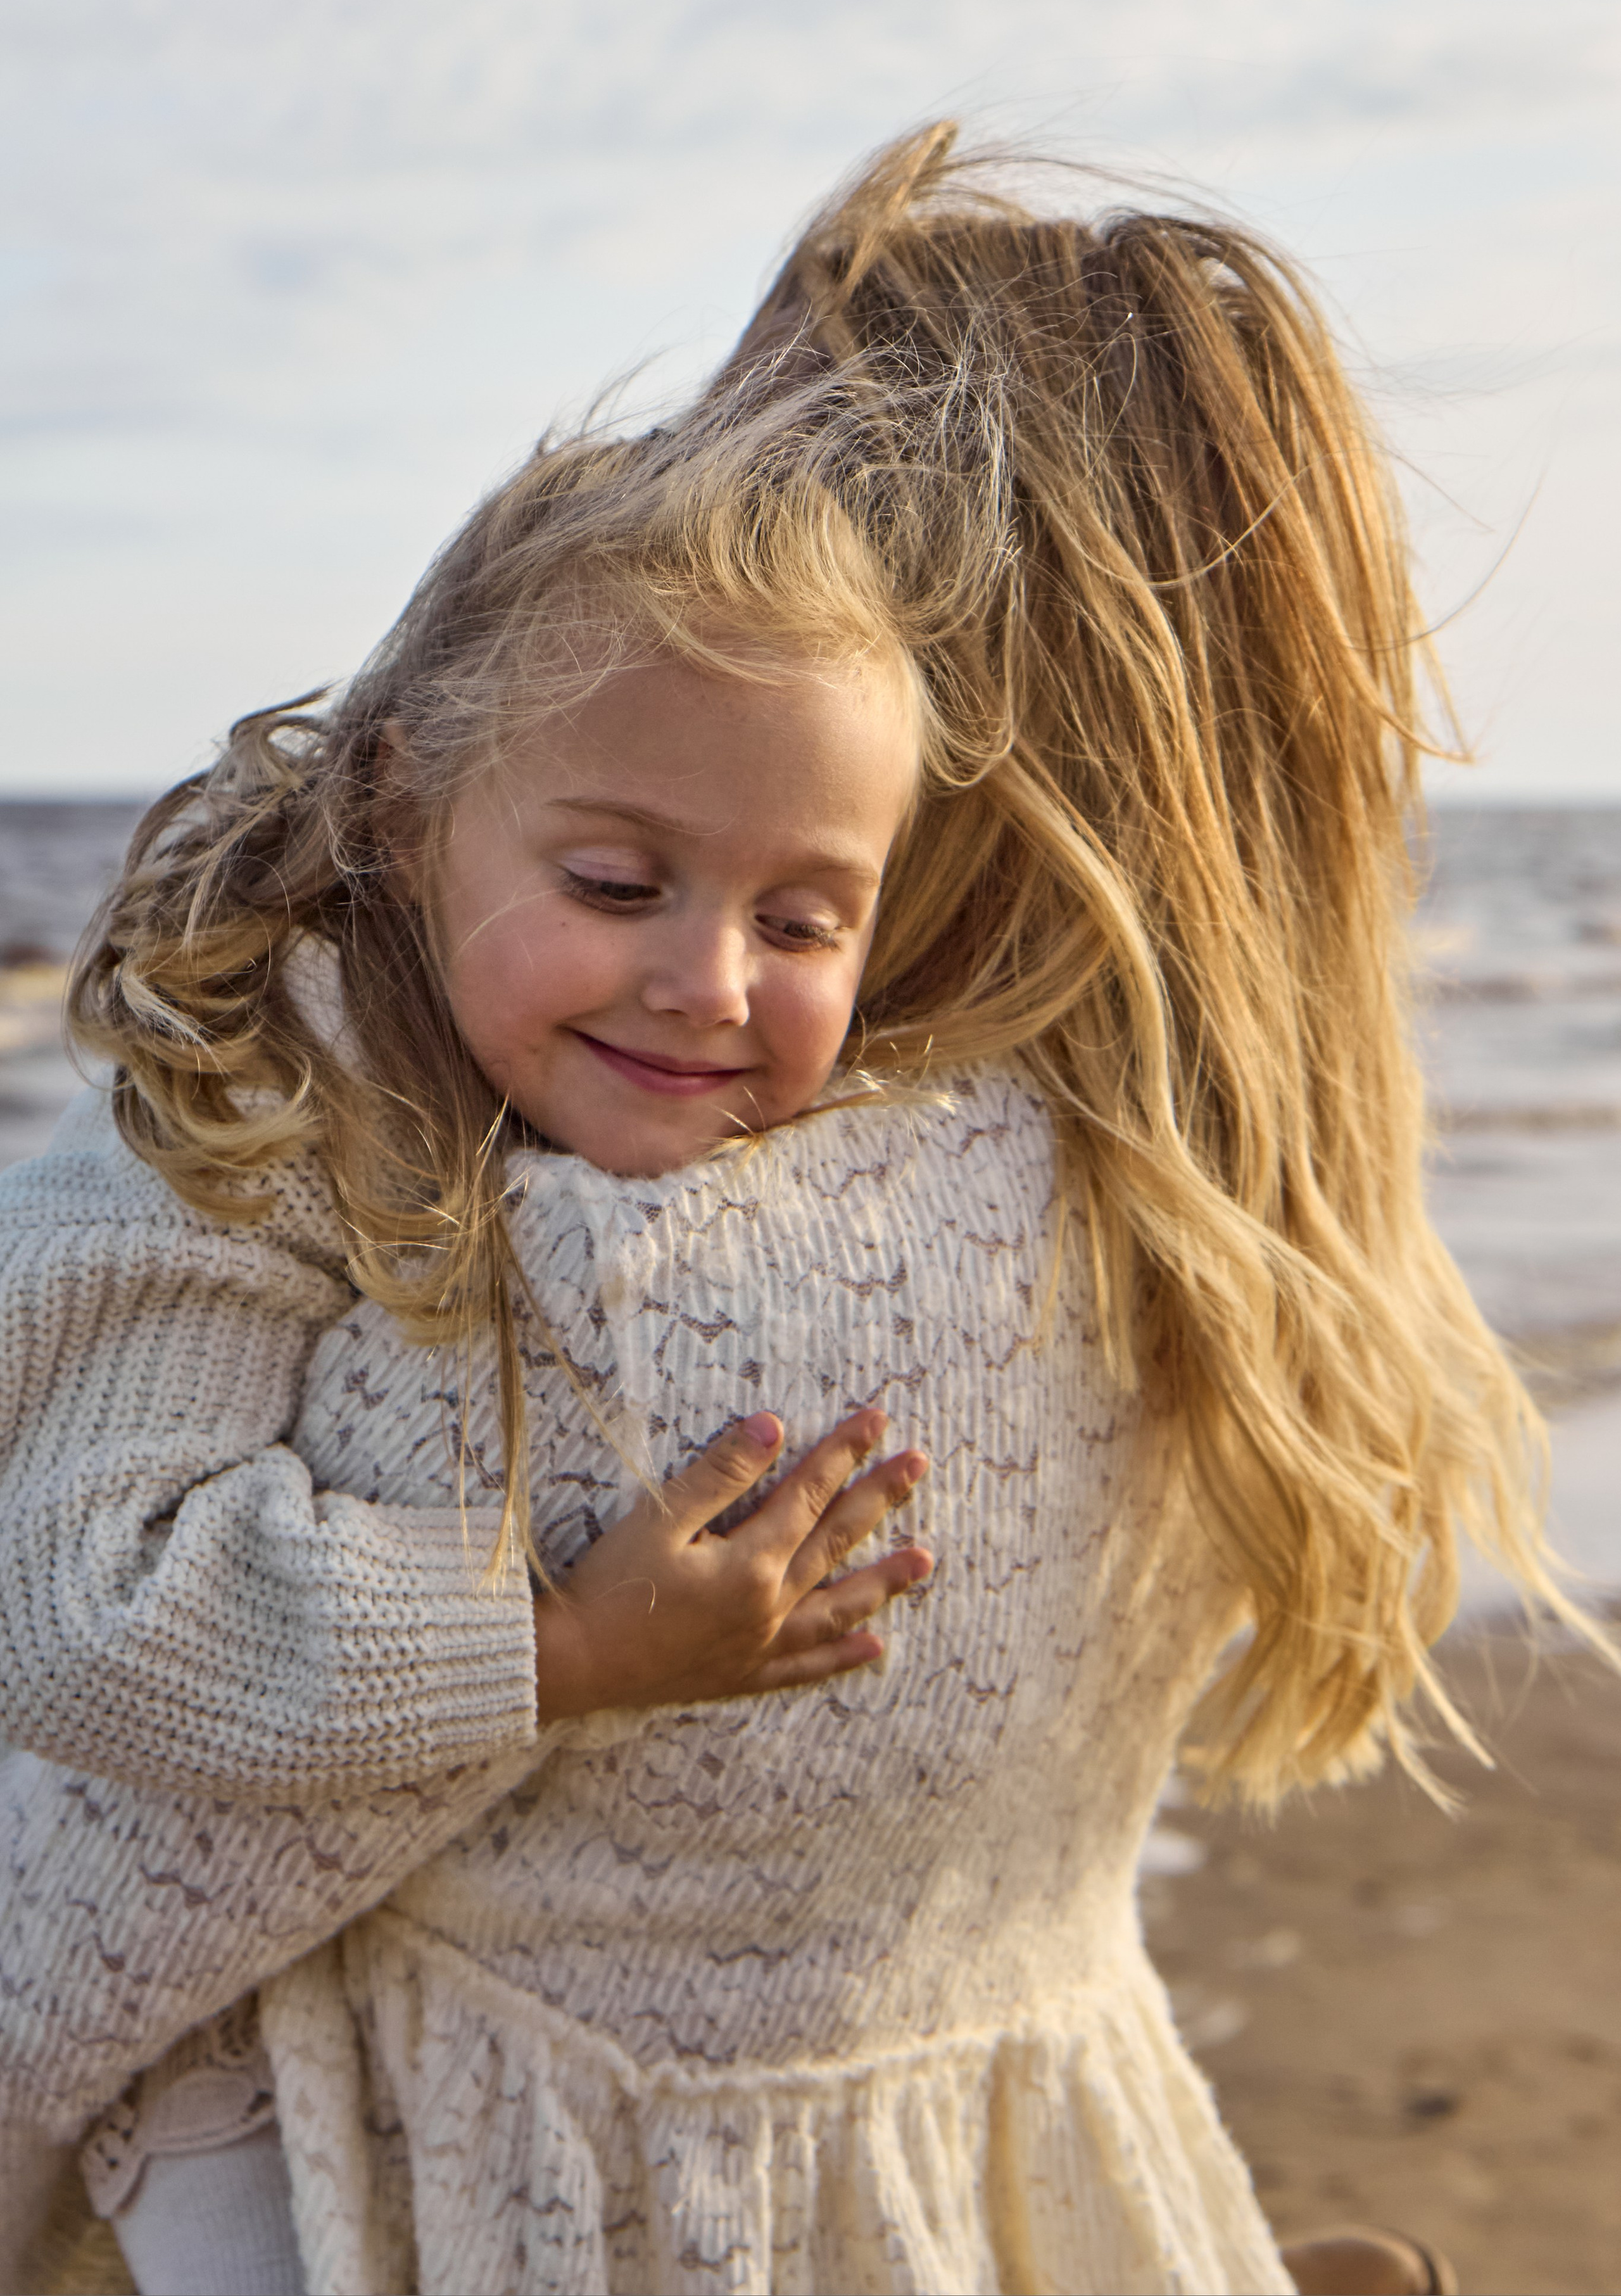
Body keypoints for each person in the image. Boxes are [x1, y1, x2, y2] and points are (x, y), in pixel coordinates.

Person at [0, 122, 1579, 2295]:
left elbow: (94, 1915)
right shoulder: (1222, 1236)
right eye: (620, 873)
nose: (705, 973)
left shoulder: (630, 1289)